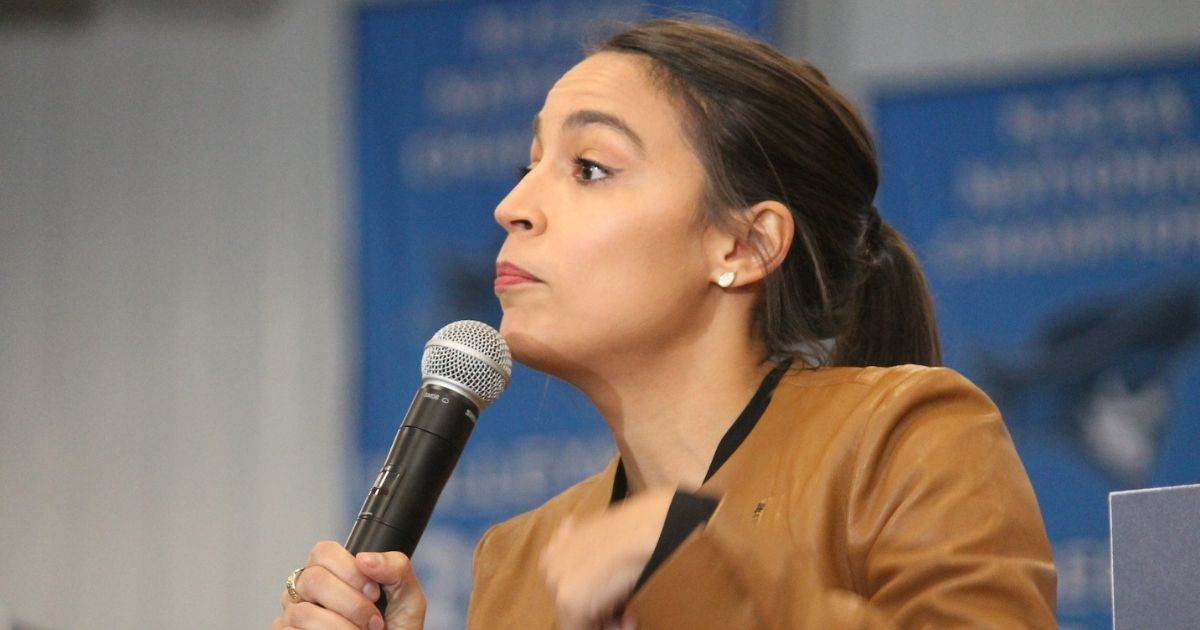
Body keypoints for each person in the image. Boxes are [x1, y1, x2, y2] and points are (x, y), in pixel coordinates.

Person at [273, 18, 1056, 630]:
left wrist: (696, 570)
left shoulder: (905, 438)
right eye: (528, 167)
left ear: (743, 245)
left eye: (589, 168)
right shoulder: (517, 561)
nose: (510, 208)